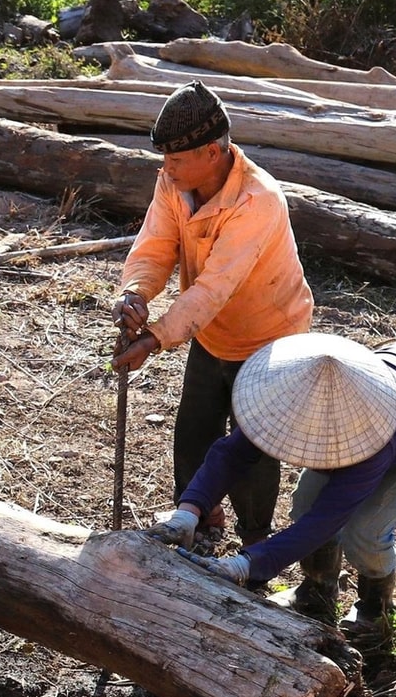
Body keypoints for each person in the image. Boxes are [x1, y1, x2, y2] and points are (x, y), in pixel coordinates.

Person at [150, 333, 396, 654]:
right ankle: (316, 593)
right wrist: (188, 511)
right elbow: (232, 452)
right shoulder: (286, 395)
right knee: (304, 502)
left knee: (366, 529)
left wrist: (244, 566)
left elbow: (327, 519)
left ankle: (376, 614)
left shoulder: (372, 438)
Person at [110, 80, 314, 549]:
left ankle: (255, 543)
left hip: (269, 336)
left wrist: (156, 337)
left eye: (177, 160)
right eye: (166, 159)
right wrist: (136, 292)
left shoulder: (255, 201)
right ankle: (197, 526)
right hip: (211, 332)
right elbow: (157, 245)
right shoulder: (175, 181)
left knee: (252, 448)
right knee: (195, 433)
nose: (167, 169)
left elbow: (214, 287)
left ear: (214, 152)